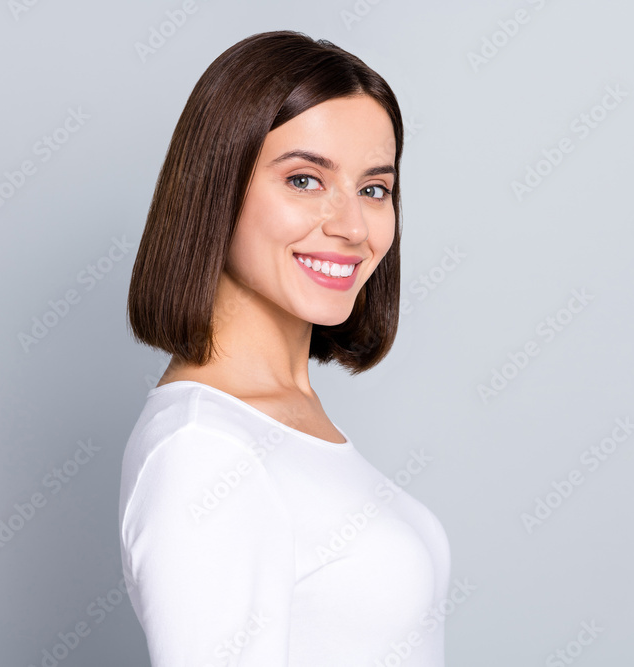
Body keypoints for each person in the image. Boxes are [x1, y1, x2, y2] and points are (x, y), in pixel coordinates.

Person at [119, 30, 451, 665]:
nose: (352, 226)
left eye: (375, 189)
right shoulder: (203, 451)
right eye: (304, 180)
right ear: (217, 189)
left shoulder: (283, 420)